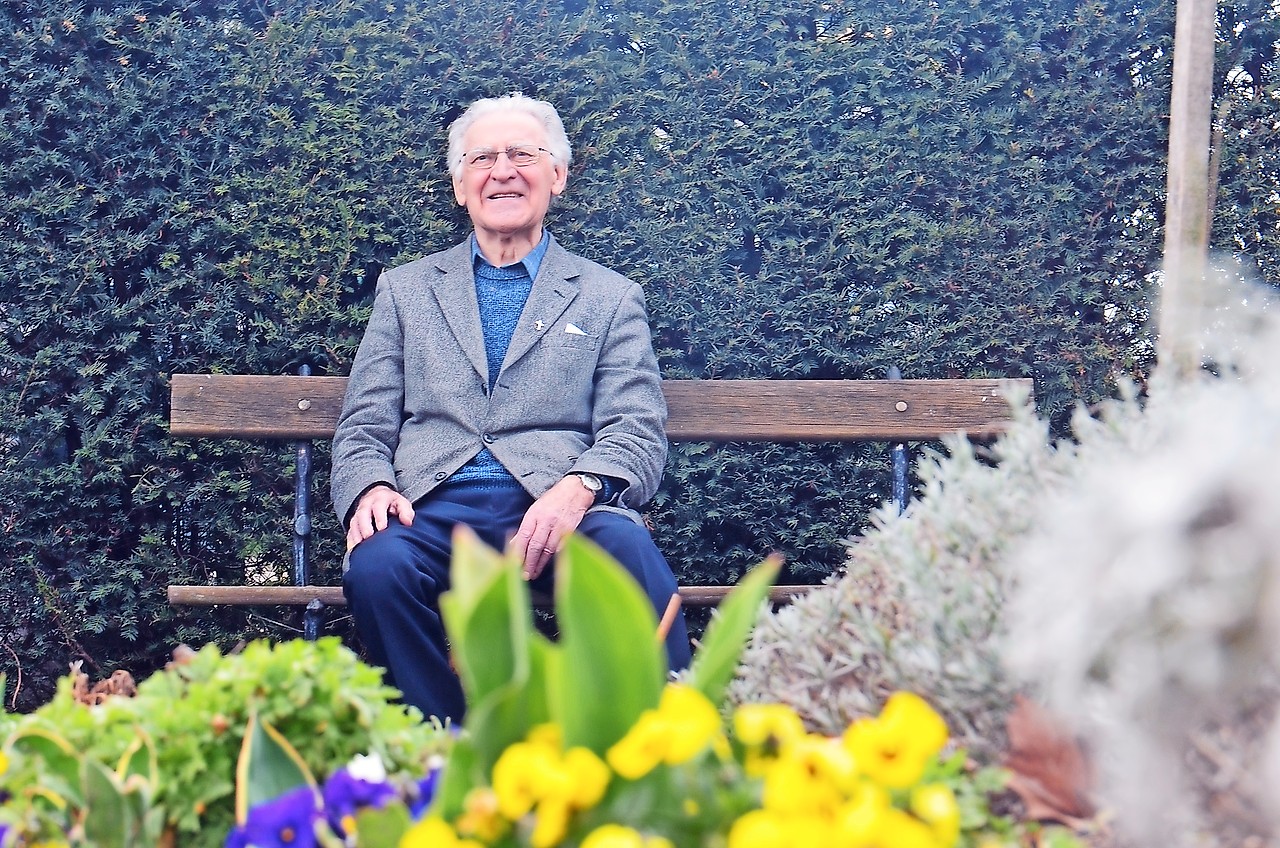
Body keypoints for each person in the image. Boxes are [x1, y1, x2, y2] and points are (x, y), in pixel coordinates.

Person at [330, 93, 692, 723]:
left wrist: (580, 487)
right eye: (483, 158)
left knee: (632, 555)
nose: (502, 170)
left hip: (561, 512)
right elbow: (364, 422)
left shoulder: (610, 297)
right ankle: (441, 753)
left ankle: (671, 750)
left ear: (557, 176)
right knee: (377, 566)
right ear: (459, 185)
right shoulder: (406, 290)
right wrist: (370, 488)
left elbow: (635, 426)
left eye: (523, 154)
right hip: (433, 512)